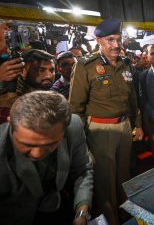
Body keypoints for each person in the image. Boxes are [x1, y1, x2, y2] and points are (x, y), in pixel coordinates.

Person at [69, 18, 143, 225]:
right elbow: (75, 108)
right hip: (100, 131)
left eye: (118, 40)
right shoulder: (86, 67)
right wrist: (80, 141)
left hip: (125, 128)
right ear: (99, 40)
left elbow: (133, 99)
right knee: (105, 182)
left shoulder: (126, 64)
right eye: (110, 40)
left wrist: (137, 124)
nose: (116, 45)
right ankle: (110, 220)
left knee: (124, 177)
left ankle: (126, 214)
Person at [0, 91, 93, 225]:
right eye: (27, 144)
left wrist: (82, 212)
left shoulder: (73, 126)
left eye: (50, 144)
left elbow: (82, 170)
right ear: (10, 123)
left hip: (56, 209)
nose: (37, 154)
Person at [0, 49, 55, 124]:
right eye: (41, 70)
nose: (49, 76)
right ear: (23, 72)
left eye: (51, 71)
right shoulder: (9, 105)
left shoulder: (55, 99)